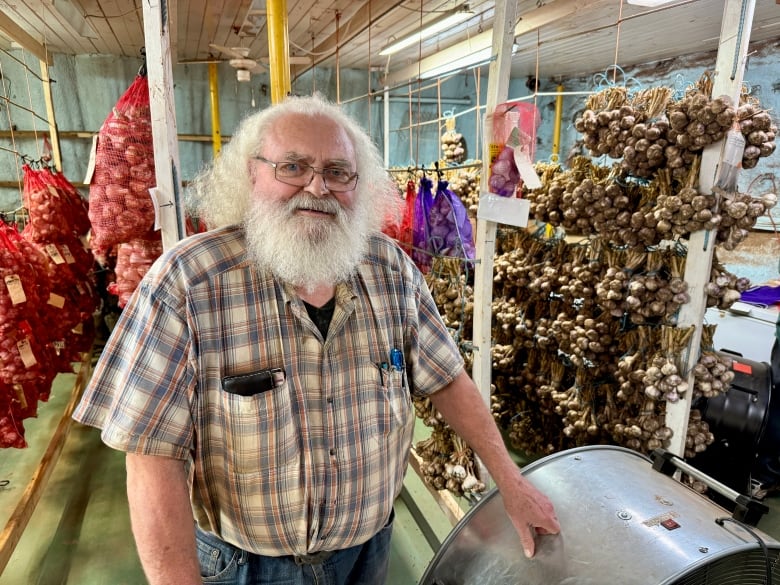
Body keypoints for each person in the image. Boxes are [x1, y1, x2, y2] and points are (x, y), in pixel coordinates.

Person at [73, 93, 560, 585]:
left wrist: (511, 481)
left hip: (369, 552)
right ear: (251, 175)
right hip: (247, 568)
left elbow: (448, 379)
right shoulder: (187, 282)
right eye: (293, 167)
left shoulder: (390, 270)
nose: (317, 187)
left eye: (337, 172)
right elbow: (150, 453)